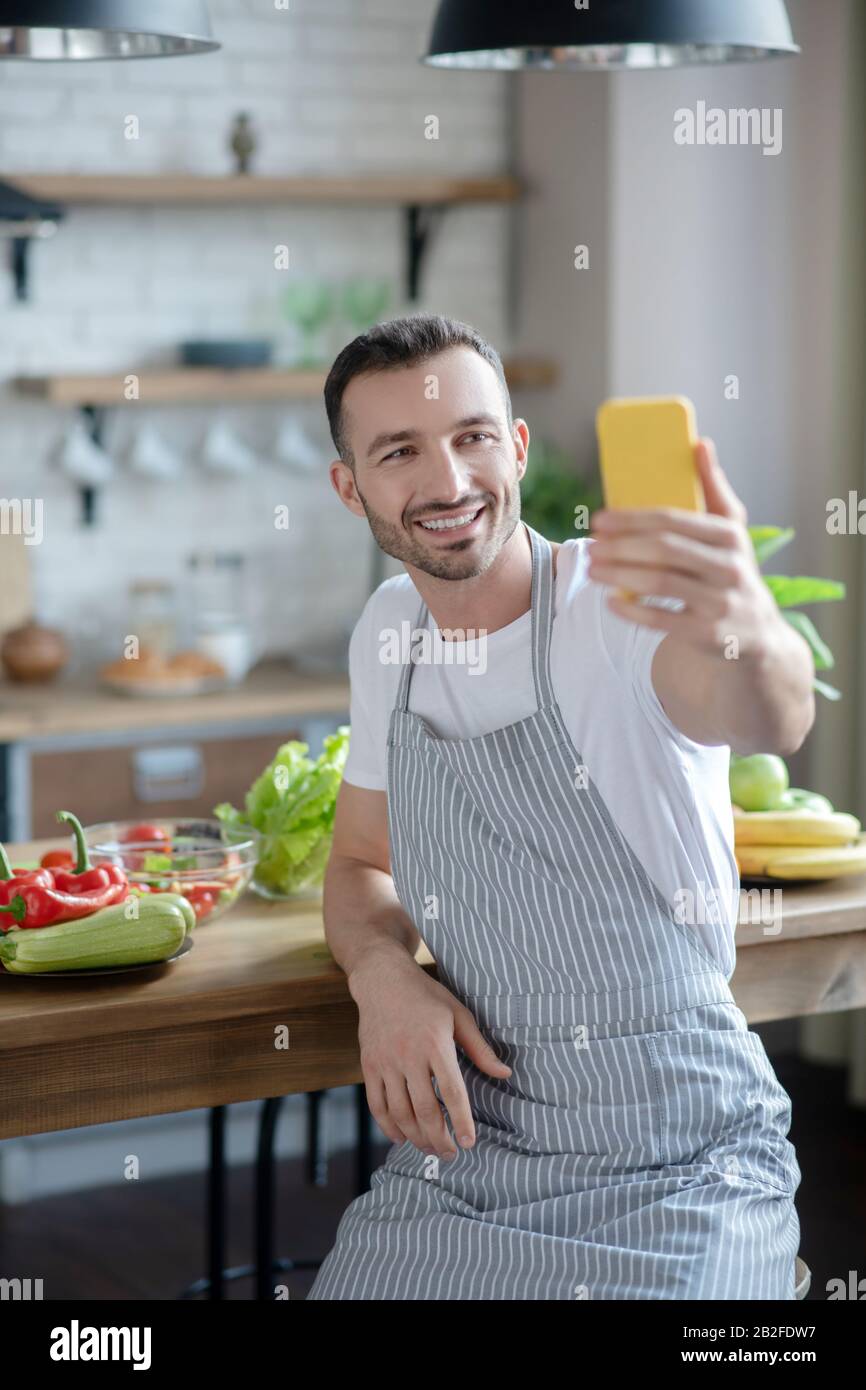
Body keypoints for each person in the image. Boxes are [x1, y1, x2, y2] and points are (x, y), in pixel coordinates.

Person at [306, 314, 813, 1301]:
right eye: (400, 451)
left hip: (681, 1148)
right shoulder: (387, 635)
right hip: (479, 1146)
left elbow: (770, 713)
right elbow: (359, 859)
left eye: (472, 436)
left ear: (517, 446)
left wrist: (749, 626)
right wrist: (381, 973)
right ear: (349, 486)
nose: (449, 481)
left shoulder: (614, 606)